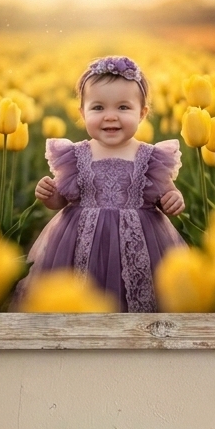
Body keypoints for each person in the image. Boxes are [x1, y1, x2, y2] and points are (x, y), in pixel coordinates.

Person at [27, 55, 186, 312]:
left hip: (140, 242)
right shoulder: (75, 155)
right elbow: (61, 200)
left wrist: (174, 199)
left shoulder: (151, 157)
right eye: (98, 108)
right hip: (81, 241)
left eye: (123, 108)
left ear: (142, 113)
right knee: (82, 296)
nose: (110, 117)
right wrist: (49, 196)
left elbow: (167, 192)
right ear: (82, 113)